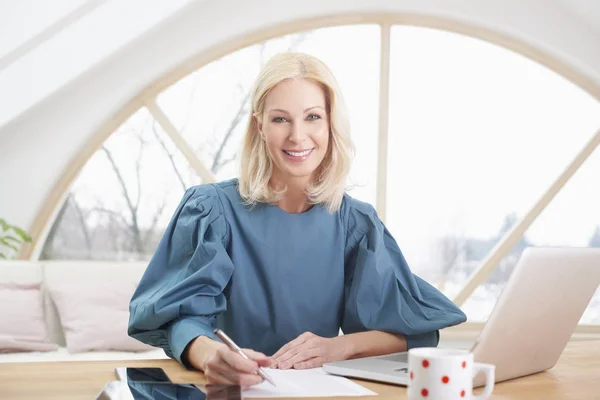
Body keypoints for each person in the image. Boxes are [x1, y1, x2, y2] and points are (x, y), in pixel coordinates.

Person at [128, 52, 466, 388]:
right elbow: (179, 319)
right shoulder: (212, 210)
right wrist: (211, 356)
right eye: (280, 119)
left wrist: (338, 347)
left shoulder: (355, 224)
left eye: (312, 117)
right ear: (259, 125)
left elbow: (413, 331)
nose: (297, 136)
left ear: (331, 122)